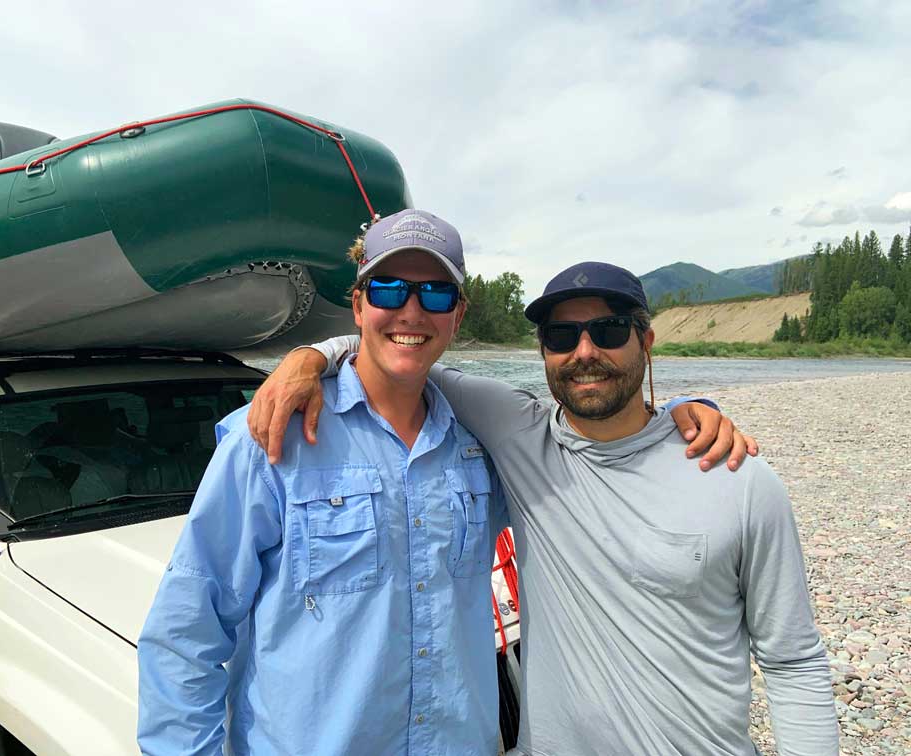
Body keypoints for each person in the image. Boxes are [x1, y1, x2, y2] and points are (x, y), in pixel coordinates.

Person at [137, 209, 746, 756]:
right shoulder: (273, 435)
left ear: (456, 314)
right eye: (388, 289)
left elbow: (597, 439)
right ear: (358, 305)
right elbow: (189, 629)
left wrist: (680, 414)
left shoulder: (485, 444)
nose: (410, 311)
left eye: (433, 293)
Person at [250, 260, 838, 754]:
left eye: (608, 331)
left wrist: (690, 403)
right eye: (561, 338)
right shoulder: (521, 434)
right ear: (543, 352)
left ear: (646, 340)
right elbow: (401, 347)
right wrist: (310, 356)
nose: (584, 352)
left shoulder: (738, 480)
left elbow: (793, 663)